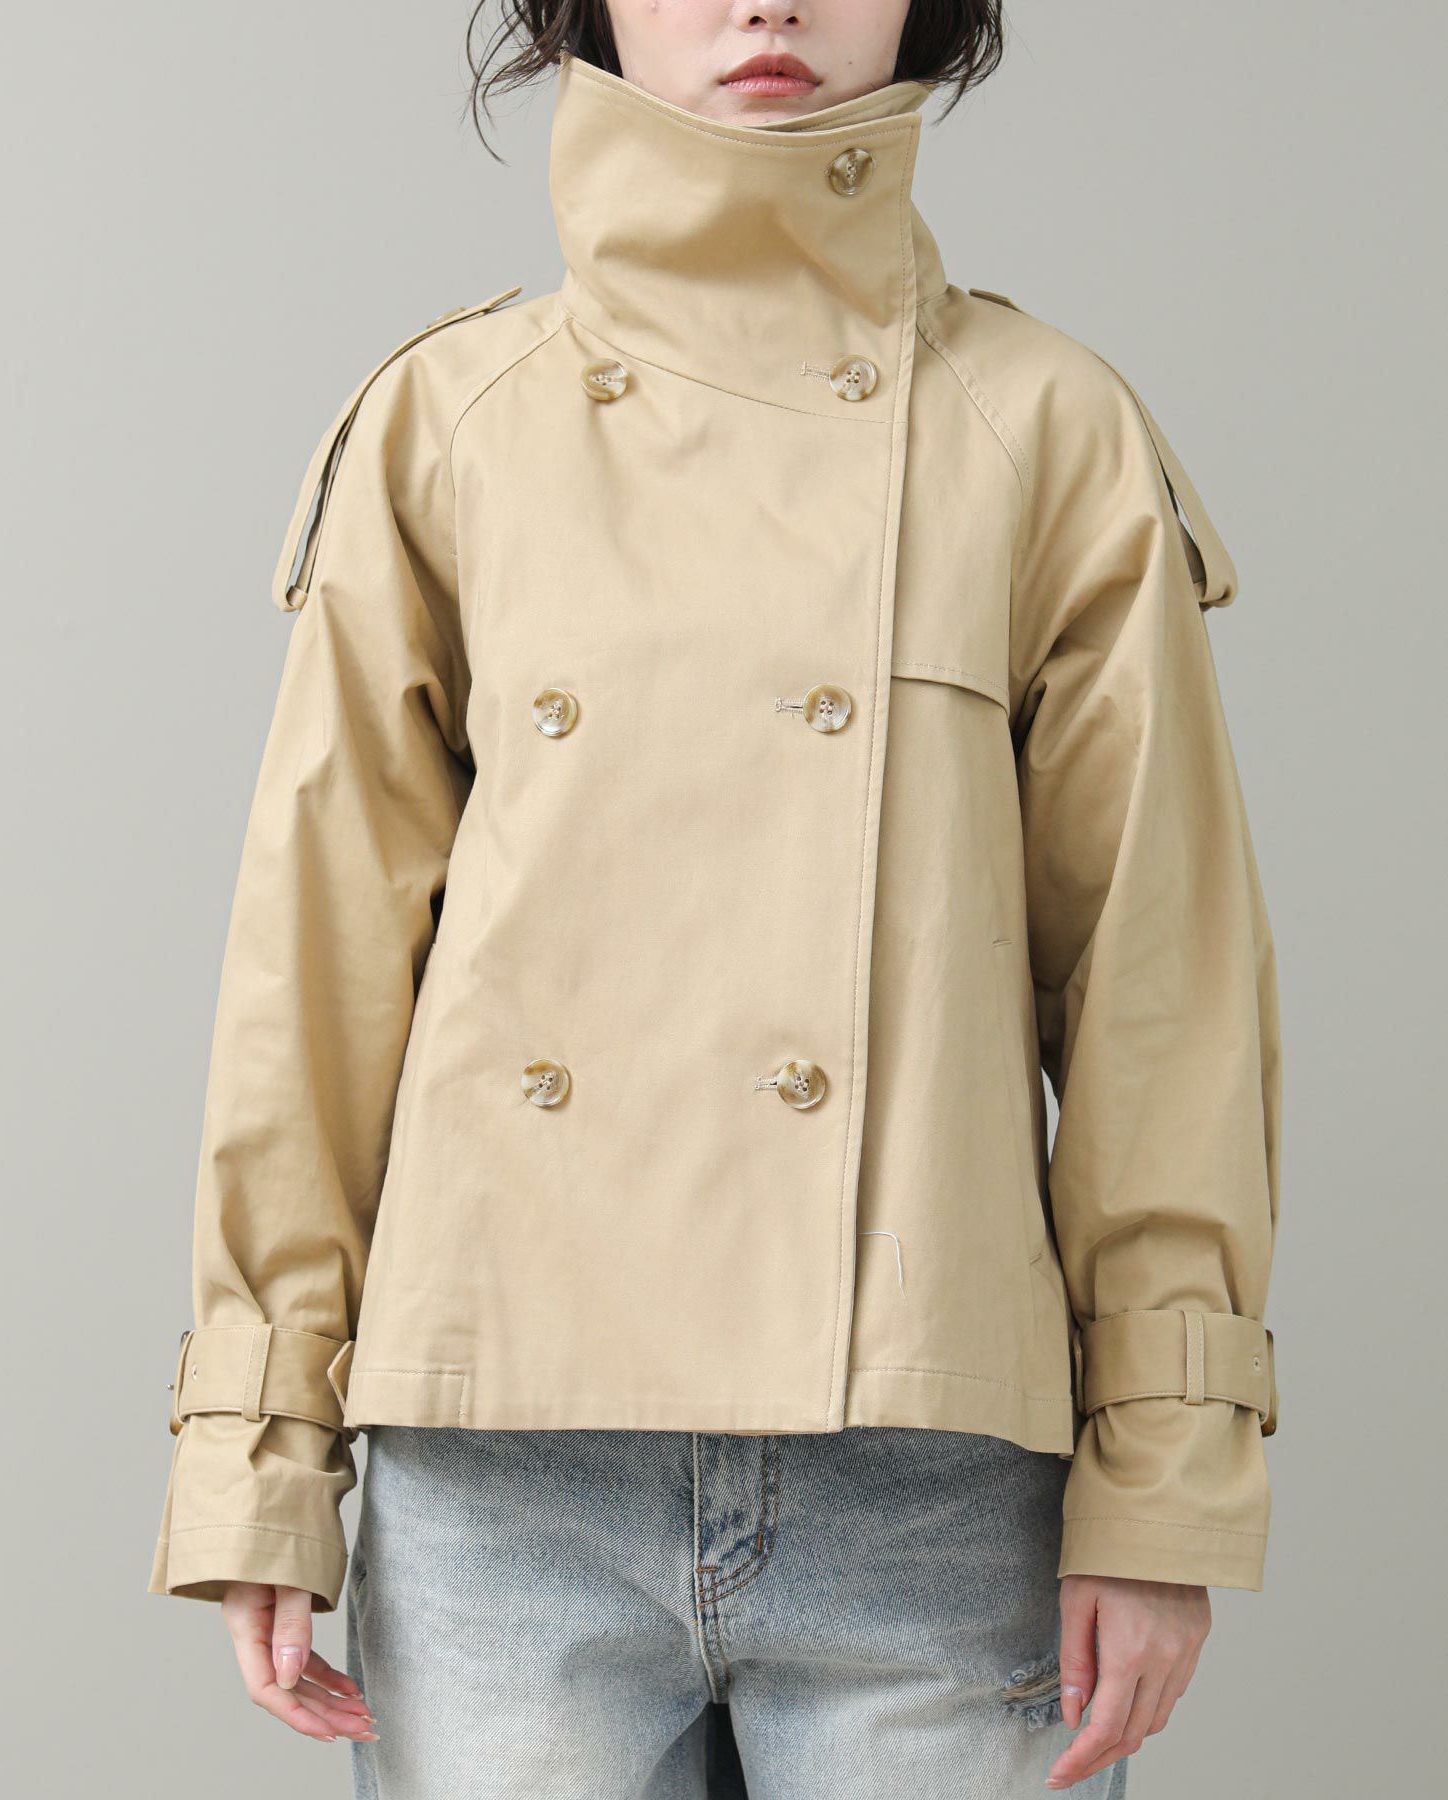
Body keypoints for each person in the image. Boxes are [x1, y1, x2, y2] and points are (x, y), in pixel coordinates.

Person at [147, 3, 1282, 1795]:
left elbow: (1164, 994)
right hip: (500, 1472)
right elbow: (318, 973)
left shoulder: (1043, 427)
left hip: (936, 1483)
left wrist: (1164, 1479)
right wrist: (257, 1449)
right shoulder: (450, 424)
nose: (766, 1)